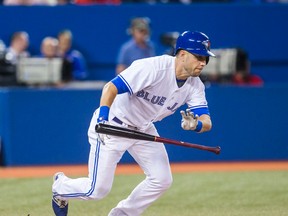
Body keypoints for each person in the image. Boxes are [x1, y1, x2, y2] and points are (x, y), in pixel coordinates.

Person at [51, 30, 215, 216]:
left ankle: (122, 214)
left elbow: (206, 120)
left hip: (143, 128)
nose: (203, 62)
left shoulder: (195, 85)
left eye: (206, 58)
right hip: (113, 125)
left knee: (161, 180)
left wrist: (197, 125)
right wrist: (103, 117)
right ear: (183, 54)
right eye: (199, 56)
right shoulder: (154, 68)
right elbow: (110, 87)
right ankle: (61, 187)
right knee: (96, 191)